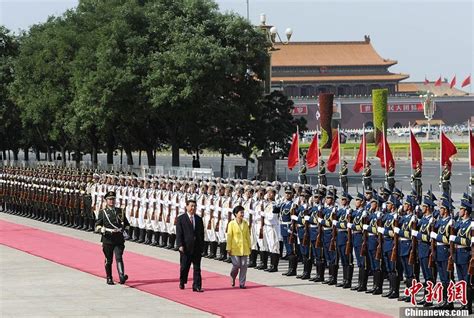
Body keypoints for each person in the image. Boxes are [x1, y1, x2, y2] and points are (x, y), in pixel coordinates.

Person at [95, 191, 130, 285]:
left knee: (119, 257)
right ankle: (109, 277)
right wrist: (102, 230)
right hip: (108, 239)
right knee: (109, 259)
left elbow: (127, 224)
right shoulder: (103, 212)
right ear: (106, 201)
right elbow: (97, 225)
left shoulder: (120, 211)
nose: (112, 201)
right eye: (110, 199)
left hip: (118, 238)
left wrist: (125, 231)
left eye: (113, 199)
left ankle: (122, 276)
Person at [176, 197, 204, 292]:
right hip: (185, 248)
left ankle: (197, 286)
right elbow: (179, 233)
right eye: (191, 206)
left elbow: (201, 234)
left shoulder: (199, 219)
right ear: (187, 207)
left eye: (195, 206)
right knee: (184, 267)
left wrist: (202, 246)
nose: (193, 208)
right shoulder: (181, 219)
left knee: (197, 268)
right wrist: (180, 245)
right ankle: (182, 281)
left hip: (196, 247)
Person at [226, 205, 251, 289]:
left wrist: (250, 246)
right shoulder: (231, 224)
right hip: (235, 248)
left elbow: (247, 235)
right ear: (236, 214)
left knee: (244, 265)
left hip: (244, 247)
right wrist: (228, 248)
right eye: (241, 212)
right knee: (236, 265)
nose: (242, 214)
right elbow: (229, 236)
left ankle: (242, 283)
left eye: (243, 212)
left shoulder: (245, 223)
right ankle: (233, 276)